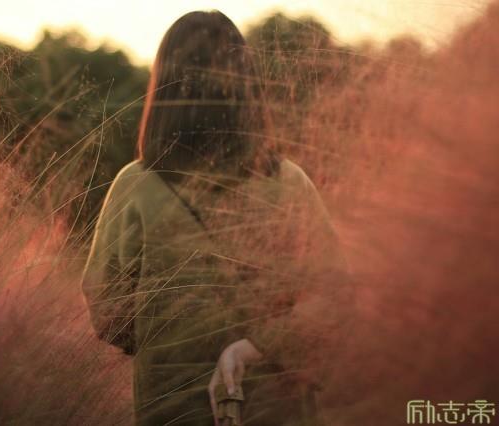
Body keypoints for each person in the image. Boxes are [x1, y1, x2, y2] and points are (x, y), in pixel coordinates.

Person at [81, 10, 349, 426]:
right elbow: (332, 298)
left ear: (165, 84)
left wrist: (171, 343)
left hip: (170, 408)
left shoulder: (135, 185)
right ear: (245, 84)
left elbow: (108, 309)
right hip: (277, 405)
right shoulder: (288, 182)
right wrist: (256, 346)